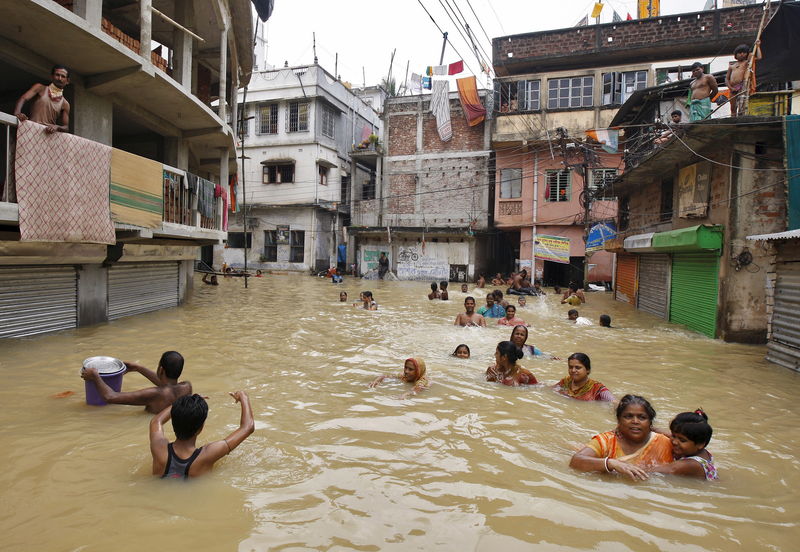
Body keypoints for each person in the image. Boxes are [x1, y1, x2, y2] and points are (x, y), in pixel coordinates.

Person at [149, 391, 254, 480]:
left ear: (173, 421)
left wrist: (183, 404)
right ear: (201, 428)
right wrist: (244, 397)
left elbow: (156, 421)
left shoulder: (158, 448)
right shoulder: (207, 455)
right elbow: (247, 427)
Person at [569, 395, 673, 480]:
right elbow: (576, 461)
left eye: (642, 417)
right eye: (628, 416)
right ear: (619, 420)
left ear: (650, 422)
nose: (635, 421)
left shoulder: (664, 443)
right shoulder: (606, 441)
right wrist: (611, 463)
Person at [80, 351, 191, 414]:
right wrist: (138, 368)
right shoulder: (186, 387)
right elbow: (167, 386)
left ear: (161, 369)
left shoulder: (154, 394)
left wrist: (95, 376)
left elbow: (110, 397)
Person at [648, 410, 718, 481]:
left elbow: (651, 471)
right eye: (674, 436)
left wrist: (636, 468)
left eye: (682, 440)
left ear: (700, 444)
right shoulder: (697, 449)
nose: (674, 442)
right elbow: (670, 434)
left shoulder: (689, 465)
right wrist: (651, 428)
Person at [14, 65, 71, 134]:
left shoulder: (65, 103)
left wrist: (57, 127)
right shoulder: (40, 88)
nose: (59, 78)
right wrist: (17, 113)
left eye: (63, 76)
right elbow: (23, 98)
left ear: (67, 81)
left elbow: (66, 127)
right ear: (52, 76)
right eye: (57, 75)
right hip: (32, 130)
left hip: (47, 136)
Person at [726, 41, 761, 117]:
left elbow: (758, 57)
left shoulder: (747, 63)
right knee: (733, 107)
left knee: (742, 106)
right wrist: (730, 87)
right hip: (732, 88)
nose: (742, 54)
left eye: (744, 52)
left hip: (742, 86)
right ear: (735, 54)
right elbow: (727, 79)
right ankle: (733, 120)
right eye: (739, 52)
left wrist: (757, 46)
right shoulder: (732, 66)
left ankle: (740, 119)